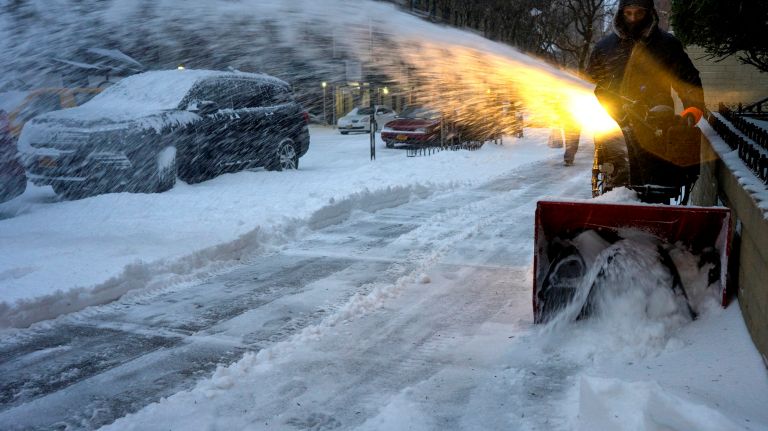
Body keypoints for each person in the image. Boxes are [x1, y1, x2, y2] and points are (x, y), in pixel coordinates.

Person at [585, 0, 705, 201]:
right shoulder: (605, 48)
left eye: (638, 13)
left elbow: (689, 83)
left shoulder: (667, 46)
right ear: (620, 14)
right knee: (616, 189)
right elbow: (591, 85)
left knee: (656, 189)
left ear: (649, 13)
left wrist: (692, 112)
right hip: (615, 127)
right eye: (628, 13)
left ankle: (656, 214)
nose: (633, 19)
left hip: (657, 128)